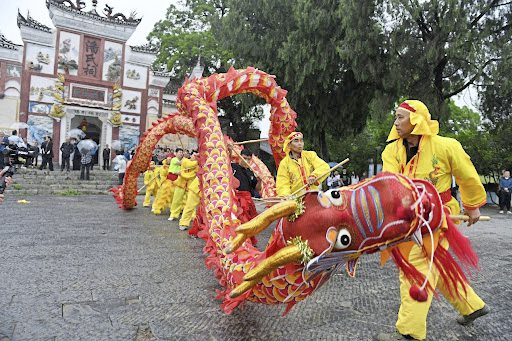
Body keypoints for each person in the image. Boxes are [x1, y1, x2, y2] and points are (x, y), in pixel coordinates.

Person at [377, 100, 489, 341]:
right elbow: (390, 183)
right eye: (395, 118)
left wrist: (472, 206)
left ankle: (408, 332)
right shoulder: (391, 151)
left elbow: (467, 174)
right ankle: (473, 306)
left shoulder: (446, 146)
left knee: (416, 268)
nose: (395, 122)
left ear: (416, 120)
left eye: (400, 117)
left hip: (441, 217)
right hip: (409, 217)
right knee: (435, 266)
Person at [276, 132, 330, 197]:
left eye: (301, 141)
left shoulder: (310, 155)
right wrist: (285, 196)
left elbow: (324, 167)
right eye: (296, 141)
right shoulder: (284, 163)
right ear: (289, 145)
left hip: (314, 196)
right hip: (297, 199)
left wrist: (314, 176)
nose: (300, 144)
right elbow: (283, 184)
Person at [231, 149, 259, 223]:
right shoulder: (234, 167)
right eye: (244, 158)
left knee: (250, 223)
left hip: (248, 200)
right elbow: (226, 161)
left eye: (248, 159)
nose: (246, 160)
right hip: (237, 200)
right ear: (240, 157)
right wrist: (230, 150)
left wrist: (259, 180)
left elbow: (257, 188)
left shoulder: (251, 172)